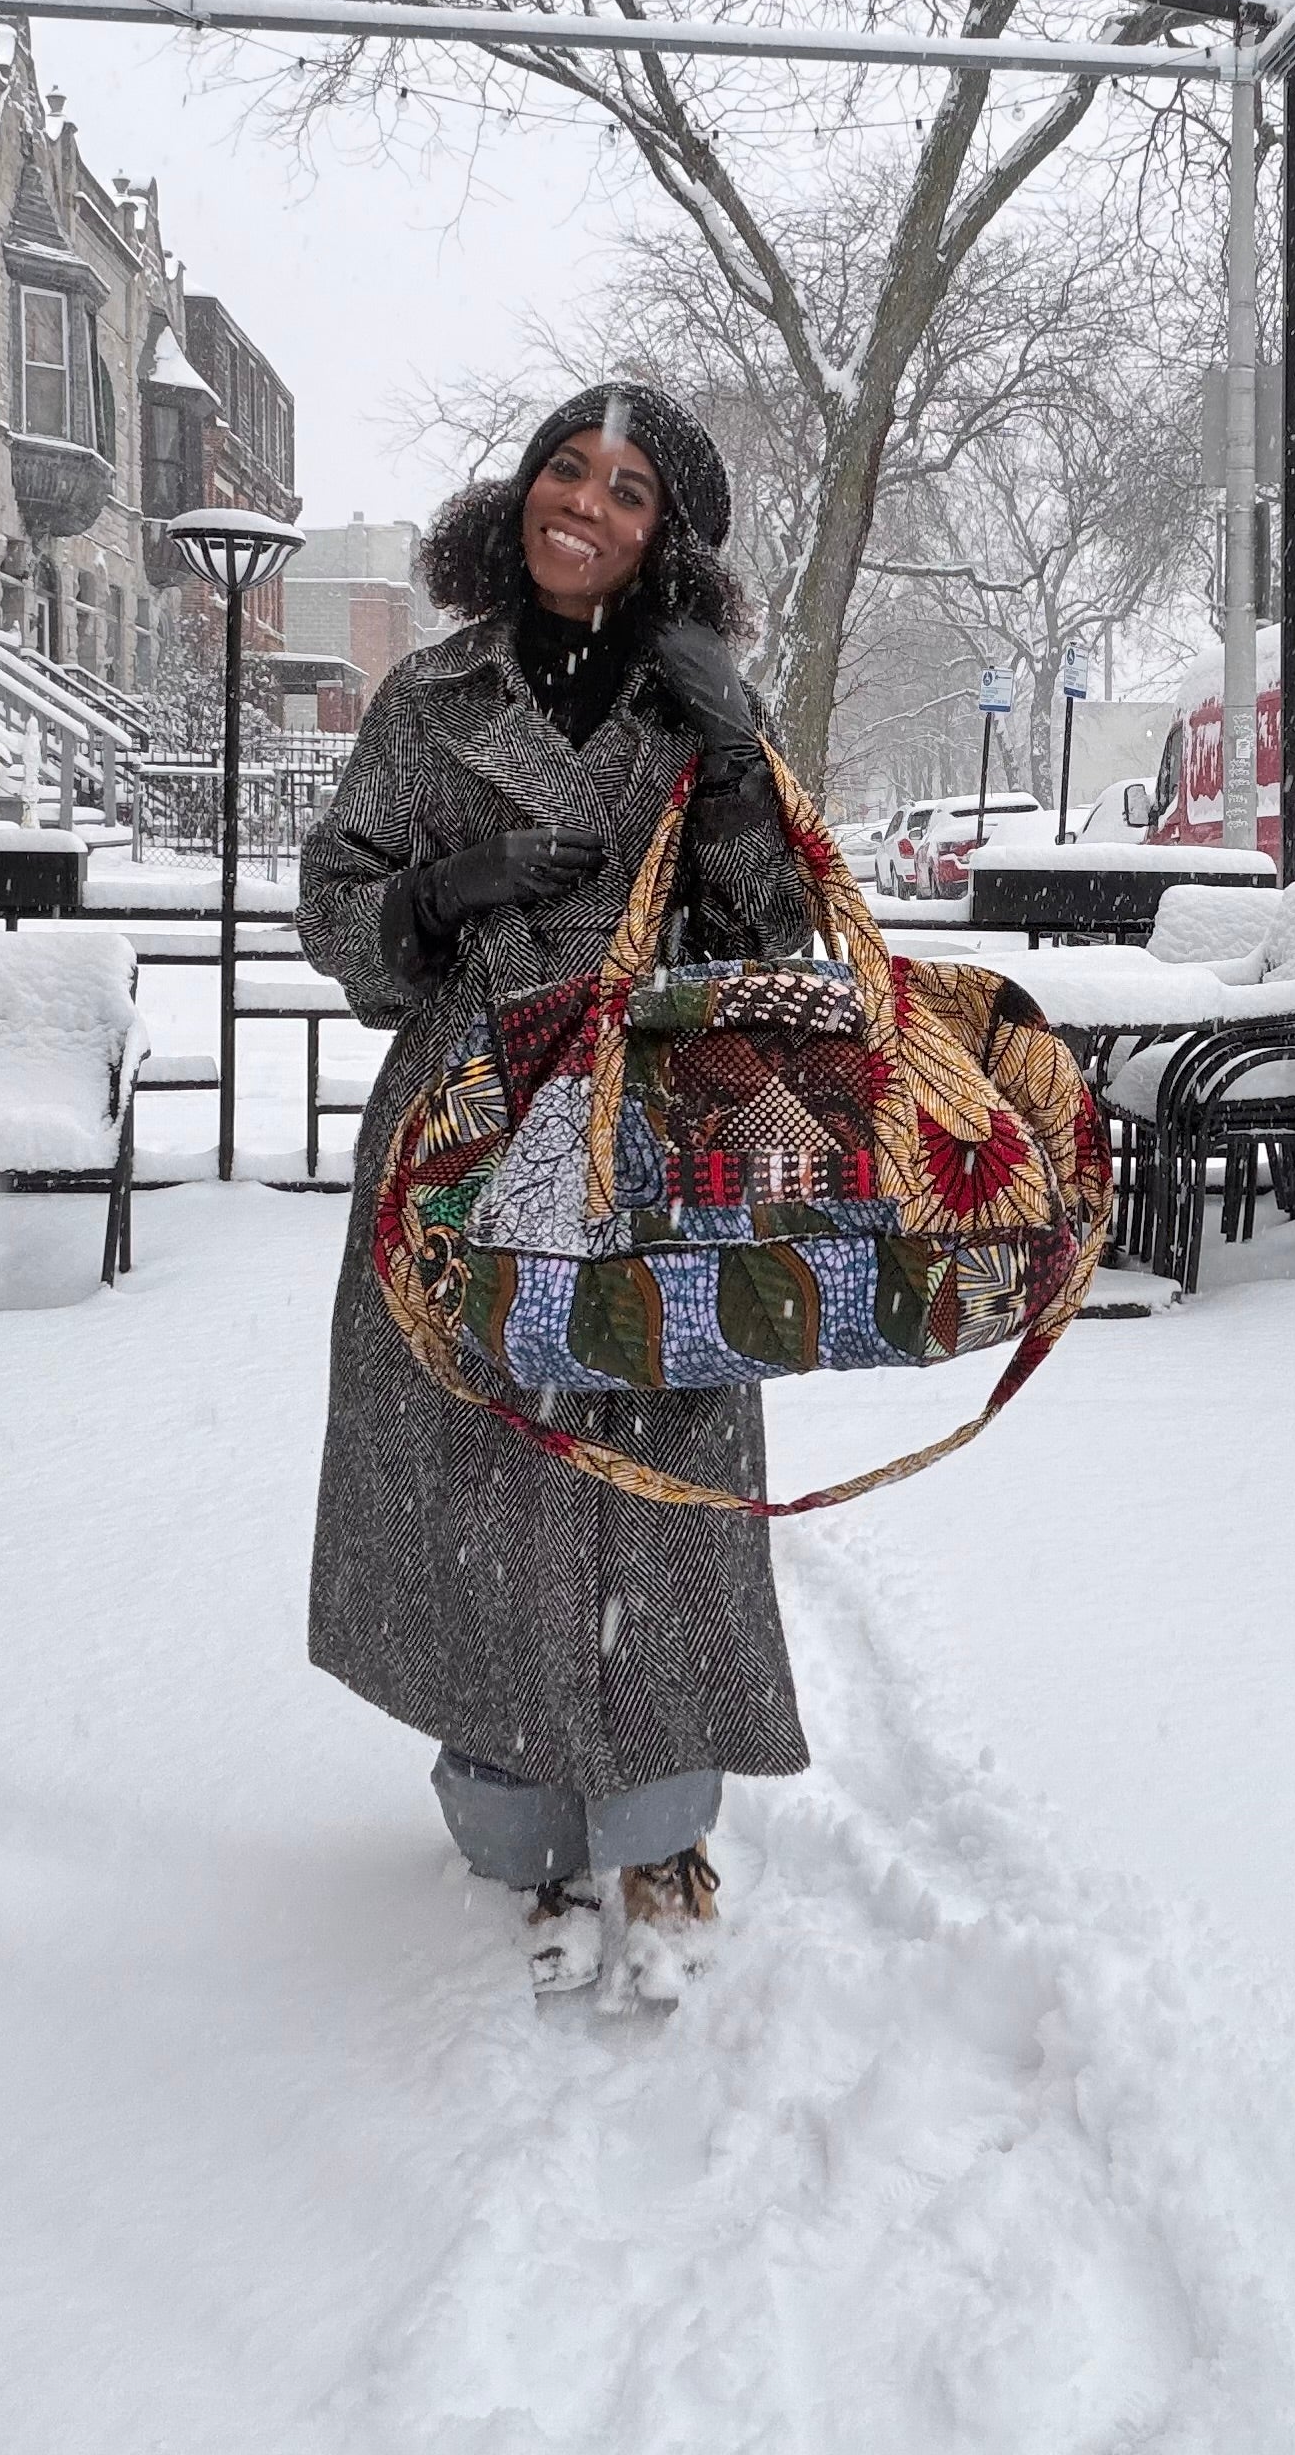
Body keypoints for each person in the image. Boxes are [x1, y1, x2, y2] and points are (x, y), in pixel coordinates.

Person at [298, 381, 812, 1996]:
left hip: (658, 1133)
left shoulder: (702, 704)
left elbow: (771, 929)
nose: (583, 501)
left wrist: (733, 765)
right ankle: (518, 1842)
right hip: (466, 1130)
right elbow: (332, 899)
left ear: (671, 538)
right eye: (563, 468)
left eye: (630, 487)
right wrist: (440, 893)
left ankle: (660, 1836)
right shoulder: (433, 691)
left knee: (660, 1464)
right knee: (480, 1482)